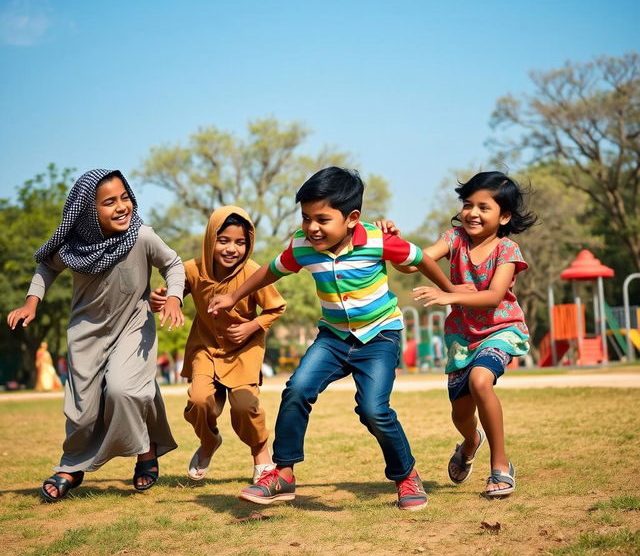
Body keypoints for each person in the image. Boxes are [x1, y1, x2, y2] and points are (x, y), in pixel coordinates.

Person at [209, 167, 460, 511]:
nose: (312, 227)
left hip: (379, 335)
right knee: (296, 389)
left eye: (323, 219)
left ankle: (406, 476)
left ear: (352, 218)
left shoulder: (378, 240)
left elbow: (420, 259)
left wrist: (451, 293)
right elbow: (271, 269)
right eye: (306, 217)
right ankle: (283, 474)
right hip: (333, 337)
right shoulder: (301, 246)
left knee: (374, 409)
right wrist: (234, 296)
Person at [6, 169, 185, 502]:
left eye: (125, 197)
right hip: (86, 332)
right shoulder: (75, 247)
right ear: (88, 211)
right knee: (82, 410)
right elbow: (46, 266)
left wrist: (174, 296)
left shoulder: (141, 235)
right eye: (109, 202)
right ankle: (75, 462)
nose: (121, 207)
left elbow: (173, 263)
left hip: (133, 326)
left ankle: (129, 455)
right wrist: (32, 303)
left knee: (123, 389)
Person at [385, 171, 535, 498]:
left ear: (504, 216)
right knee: (461, 412)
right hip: (462, 337)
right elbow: (412, 264)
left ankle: (500, 465)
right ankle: (470, 442)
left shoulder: (507, 250)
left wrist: (450, 295)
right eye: (468, 205)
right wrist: (394, 241)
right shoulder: (454, 240)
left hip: (500, 329)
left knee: (481, 380)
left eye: (484, 207)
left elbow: (494, 296)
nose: (473, 213)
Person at [150, 206, 285, 484]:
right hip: (206, 349)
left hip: (244, 350)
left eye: (240, 242)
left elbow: (275, 308)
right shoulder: (191, 269)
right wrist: (162, 299)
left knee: (246, 406)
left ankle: (261, 453)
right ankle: (209, 442)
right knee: (199, 401)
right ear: (211, 238)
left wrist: (250, 326)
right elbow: (175, 292)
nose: (231, 248)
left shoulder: (253, 272)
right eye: (223, 240)